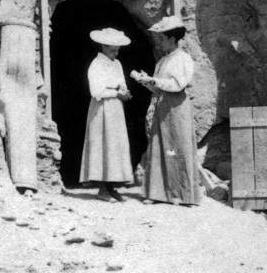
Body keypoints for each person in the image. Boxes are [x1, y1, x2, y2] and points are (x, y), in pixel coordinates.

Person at [132, 15, 200, 206]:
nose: (159, 43)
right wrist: (147, 81)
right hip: (162, 107)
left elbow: (177, 85)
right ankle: (158, 194)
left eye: (162, 39)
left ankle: (183, 195)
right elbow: (159, 87)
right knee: (160, 148)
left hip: (177, 109)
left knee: (177, 148)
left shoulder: (183, 59)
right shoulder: (162, 61)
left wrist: (154, 81)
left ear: (172, 39)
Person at [80, 28, 134, 202]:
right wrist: (117, 94)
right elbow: (96, 91)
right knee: (102, 145)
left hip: (116, 109)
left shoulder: (116, 64)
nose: (116, 52)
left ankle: (112, 186)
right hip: (101, 108)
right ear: (103, 47)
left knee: (114, 146)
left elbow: (122, 83)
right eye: (112, 49)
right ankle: (102, 188)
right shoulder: (96, 65)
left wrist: (124, 92)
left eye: (117, 49)